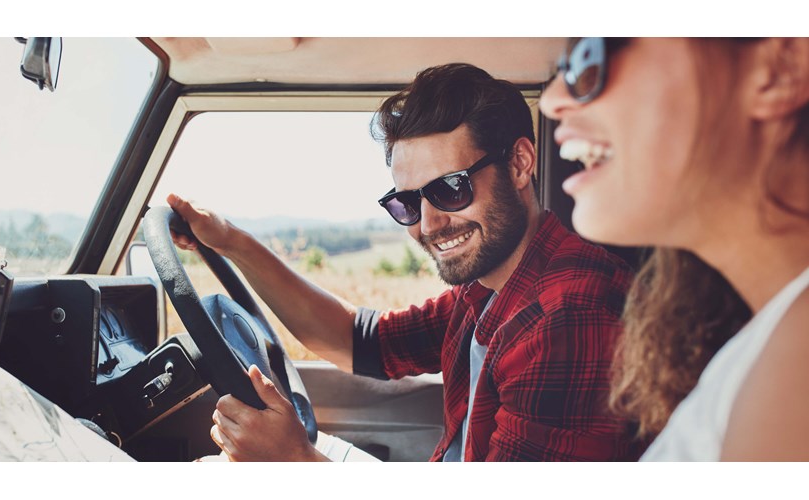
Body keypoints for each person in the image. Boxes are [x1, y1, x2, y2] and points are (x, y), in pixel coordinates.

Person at [170, 63, 641, 461]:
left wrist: (298, 464)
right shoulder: (485, 290)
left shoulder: (568, 316)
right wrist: (231, 241)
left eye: (450, 188)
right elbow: (357, 340)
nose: (430, 224)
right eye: (407, 204)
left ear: (519, 164)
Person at [540, 38, 809, 460]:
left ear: (779, 69)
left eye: (589, 53)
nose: (553, 100)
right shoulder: (771, 339)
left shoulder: (797, 364)